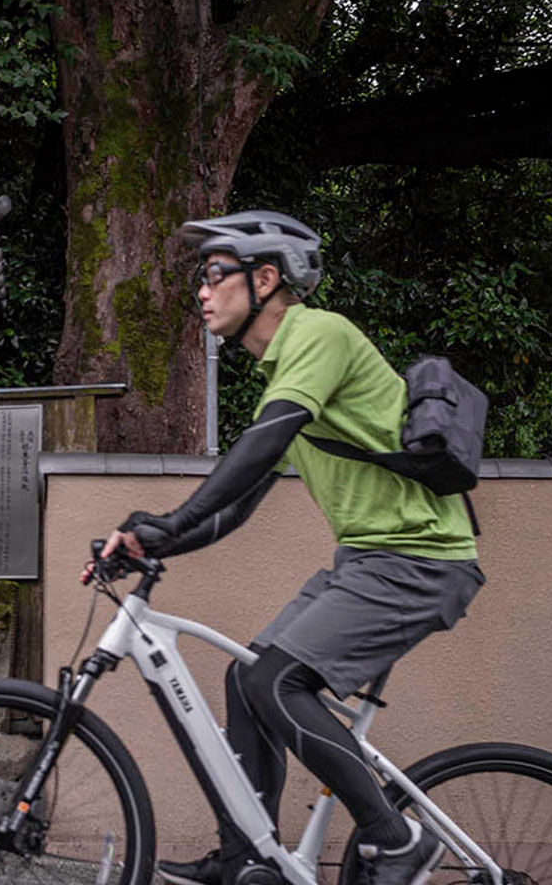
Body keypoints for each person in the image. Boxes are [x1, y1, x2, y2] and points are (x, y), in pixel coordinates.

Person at [97, 211, 483, 885]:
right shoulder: (289, 373)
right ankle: (251, 862)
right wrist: (154, 538)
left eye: (215, 274)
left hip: (421, 559)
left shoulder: (319, 334)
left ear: (267, 277)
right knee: (245, 678)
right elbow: (236, 509)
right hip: (368, 560)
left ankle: (397, 841)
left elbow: (262, 444)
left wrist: (174, 516)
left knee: (275, 681)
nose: (202, 292)